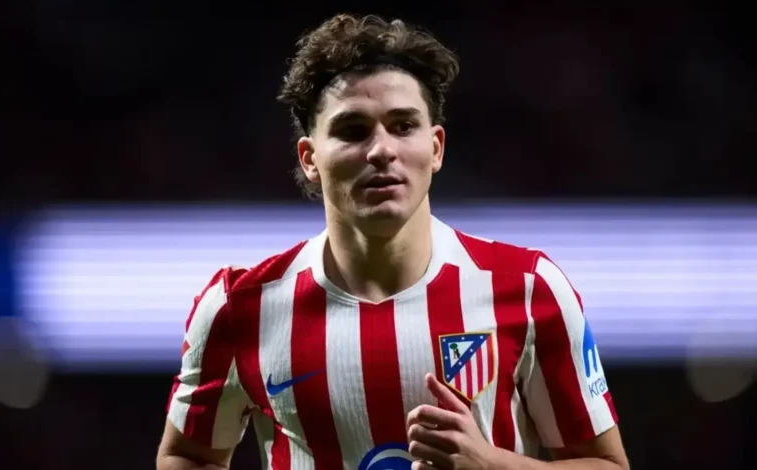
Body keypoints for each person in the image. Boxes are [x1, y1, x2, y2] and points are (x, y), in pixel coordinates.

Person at [157, 13, 629, 470]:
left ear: (436, 147)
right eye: (353, 130)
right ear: (309, 159)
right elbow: (188, 457)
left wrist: (491, 466)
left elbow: (606, 464)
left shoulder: (528, 289)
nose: (382, 149)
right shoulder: (239, 307)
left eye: (403, 126)